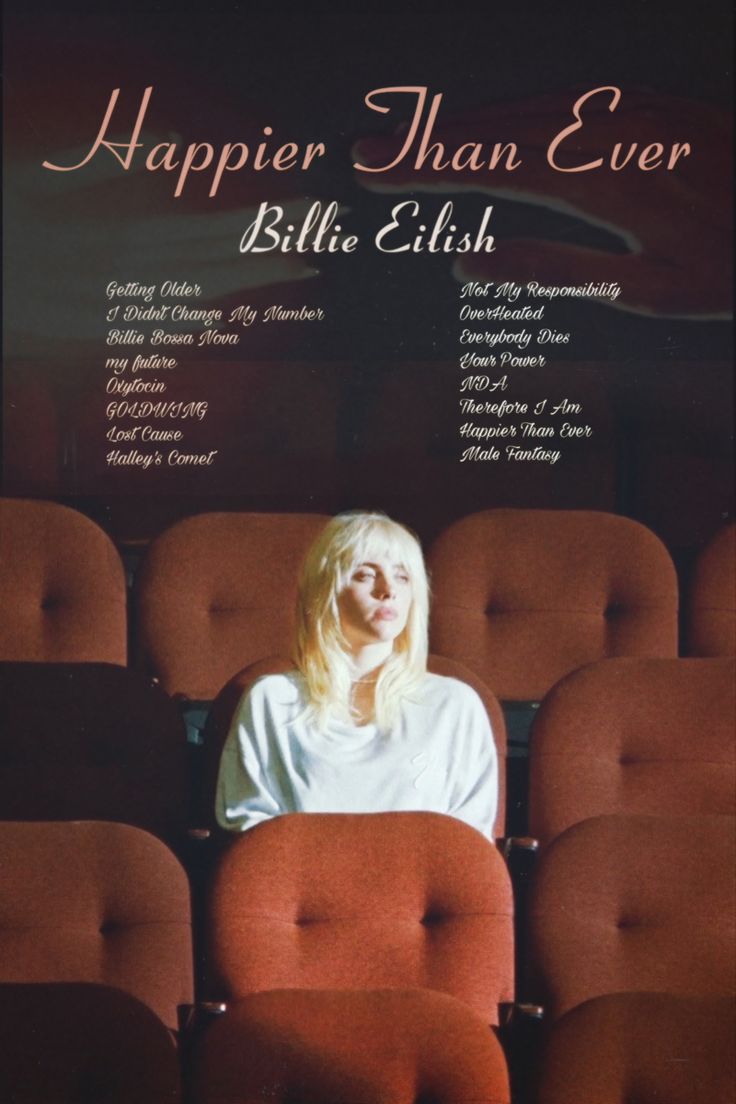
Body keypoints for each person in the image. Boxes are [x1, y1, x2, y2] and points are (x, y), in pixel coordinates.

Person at [215, 511, 498, 838]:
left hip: (417, 889)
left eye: (403, 577)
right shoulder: (272, 700)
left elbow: (470, 845)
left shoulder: (454, 706)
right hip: (304, 888)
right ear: (327, 591)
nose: (388, 589)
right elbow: (251, 835)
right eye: (365, 575)